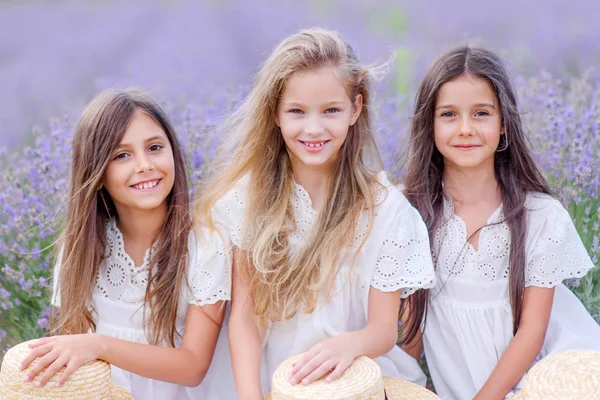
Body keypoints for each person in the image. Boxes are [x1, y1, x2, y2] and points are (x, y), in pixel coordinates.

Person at [195, 28, 436, 399]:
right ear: (274, 113)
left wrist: (350, 344)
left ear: (356, 108)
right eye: (296, 111)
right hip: (276, 384)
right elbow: (244, 318)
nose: (313, 128)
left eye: (331, 111)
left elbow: (384, 329)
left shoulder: (384, 208)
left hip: (355, 381)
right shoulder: (249, 200)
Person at [403, 46, 600, 400]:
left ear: (504, 122)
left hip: (548, 379)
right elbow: (411, 326)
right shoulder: (412, 213)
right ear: (428, 124)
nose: (465, 128)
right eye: (448, 114)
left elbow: (533, 332)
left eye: (481, 113)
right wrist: (404, 388)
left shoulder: (538, 216)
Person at [19, 89, 231, 400]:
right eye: (122, 155)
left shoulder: (205, 244)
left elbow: (193, 366)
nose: (144, 165)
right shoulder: (80, 248)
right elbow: (72, 352)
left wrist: (100, 344)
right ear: (98, 174)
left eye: (155, 147)